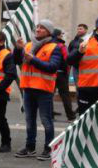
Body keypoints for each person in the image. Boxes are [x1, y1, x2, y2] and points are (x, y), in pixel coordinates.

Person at [14, 20, 64, 160]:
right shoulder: (28, 45)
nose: (38, 29)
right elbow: (17, 61)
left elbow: (52, 67)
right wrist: (18, 49)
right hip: (28, 88)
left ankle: (48, 148)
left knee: (46, 120)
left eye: (42, 28)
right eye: (37, 27)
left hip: (44, 89)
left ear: (48, 31)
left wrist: (34, 59)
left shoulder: (55, 47)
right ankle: (30, 147)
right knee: (29, 120)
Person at [52, 29, 76, 121]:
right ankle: (70, 116)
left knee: (50, 94)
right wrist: (67, 72)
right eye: (61, 34)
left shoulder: (48, 44)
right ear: (58, 36)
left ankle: (51, 115)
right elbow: (67, 59)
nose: (62, 36)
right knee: (65, 95)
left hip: (50, 72)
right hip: (61, 73)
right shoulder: (61, 46)